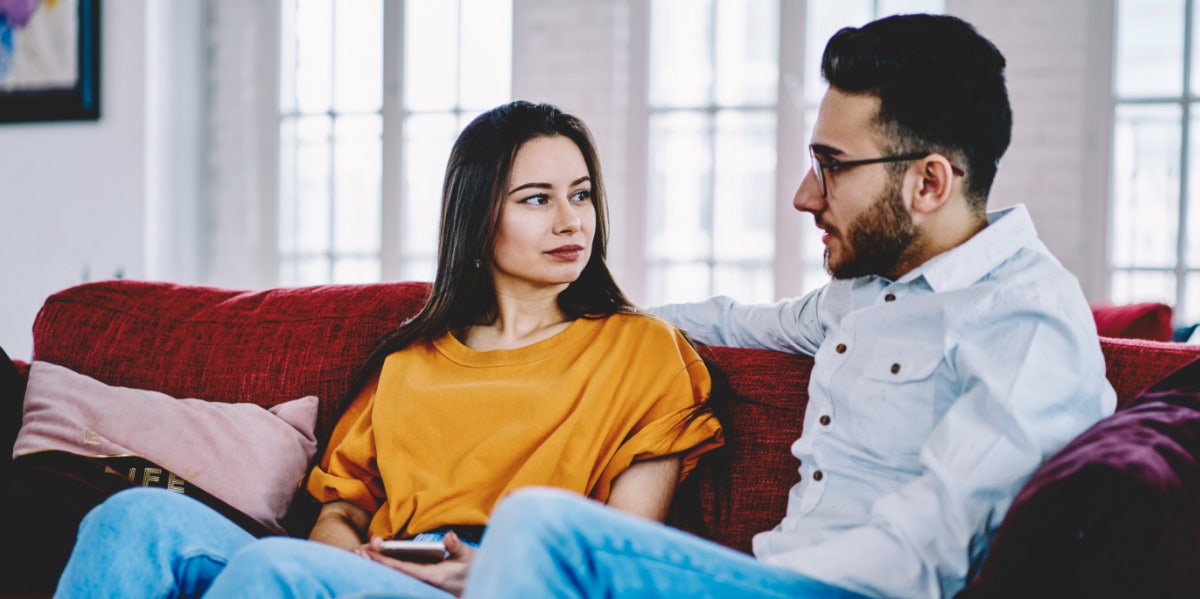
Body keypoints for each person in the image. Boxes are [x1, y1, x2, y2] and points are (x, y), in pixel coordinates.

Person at [460, 14, 1117, 599]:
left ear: (929, 181)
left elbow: (925, 556)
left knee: (537, 523)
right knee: (359, 577)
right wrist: (579, 315)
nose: (805, 195)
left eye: (831, 165)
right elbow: (733, 322)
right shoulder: (868, 290)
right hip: (769, 572)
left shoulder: (1026, 322)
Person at [53, 100, 723, 598]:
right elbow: (341, 510)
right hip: (379, 574)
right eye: (537, 198)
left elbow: (625, 556)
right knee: (133, 517)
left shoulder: (642, 350)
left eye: (580, 195)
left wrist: (492, 572)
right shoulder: (410, 364)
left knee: (270, 567)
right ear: (478, 215)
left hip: (509, 582)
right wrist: (354, 561)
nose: (570, 220)